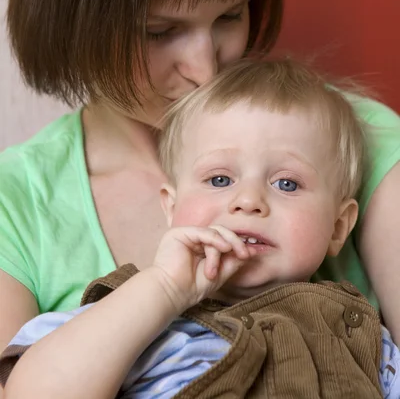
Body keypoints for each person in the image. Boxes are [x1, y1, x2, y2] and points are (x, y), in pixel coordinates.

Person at [0, 0, 399, 381]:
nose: (206, 69)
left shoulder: (357, 139)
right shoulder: (18, 204)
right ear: (70, 17)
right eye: (159, 32)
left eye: (230, 17)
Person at [1, 58, 399, 398]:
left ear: (338, 227)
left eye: (287, 184)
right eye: (220, 180)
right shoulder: (129, 313)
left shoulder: (360, 334)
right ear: (171, 208)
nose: (249, 201)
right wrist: (163, 290)